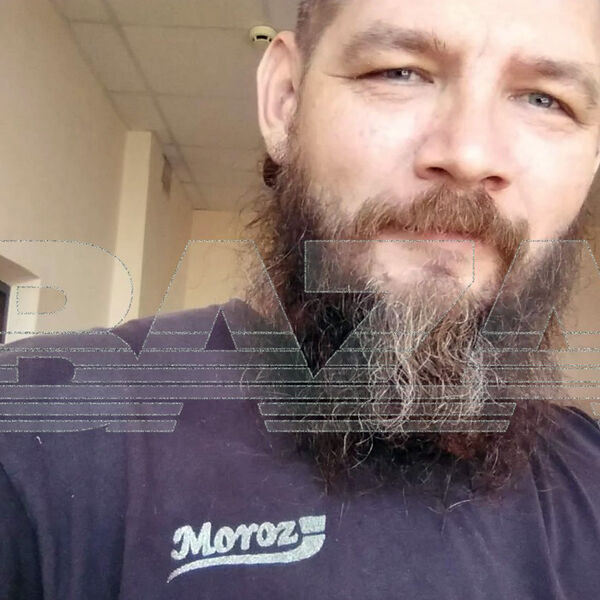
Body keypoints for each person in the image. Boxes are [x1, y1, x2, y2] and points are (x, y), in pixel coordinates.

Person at [1, 0, 600, 597]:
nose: (469, 155)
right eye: (399, 72)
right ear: (285, 98)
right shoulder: (37, 432)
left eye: (545, 100)